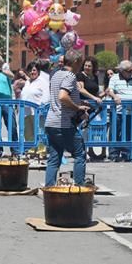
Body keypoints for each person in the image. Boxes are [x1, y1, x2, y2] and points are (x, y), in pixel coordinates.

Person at [44, 50, 90, 186]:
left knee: (54, 157)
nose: (81, 65)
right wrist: (78, 108)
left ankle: (50, 189)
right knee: (80, 153)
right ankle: (79, 187)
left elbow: (60, 97)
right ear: (75, 62)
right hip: (63, 123)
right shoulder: (70, 76)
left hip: (51, 122)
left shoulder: (56, 74)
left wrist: (79, 103)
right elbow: (63, 96)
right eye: (80, 62)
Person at [107, 60, 132, 162]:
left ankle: (127, 153)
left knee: (129, 132)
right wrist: (115, 96)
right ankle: (114, 154)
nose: (131, 73)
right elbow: (110, 90)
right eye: (129, 71)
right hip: (118, 111)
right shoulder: (114, 78)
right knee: (115, 132)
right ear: (122, 71)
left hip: (130, 112)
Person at [20, 60, 50, 160]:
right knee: (28, 132)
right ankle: (31, 150)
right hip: (26, 112)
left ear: (38, 71)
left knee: (40, 132)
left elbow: (46, 96)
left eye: (34, 70)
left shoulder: (42, 81)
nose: (32, 72)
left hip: (38, 112)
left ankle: (41, 152)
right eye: (30, 71)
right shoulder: (28, 82)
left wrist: (41, 107)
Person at [77, 56, 103, 160]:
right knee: (83, 129)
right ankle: (82, 151)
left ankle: (92, 150)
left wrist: (103, 94)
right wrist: (94, 98)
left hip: (94, 107)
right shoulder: (80, 75)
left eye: (89, 66)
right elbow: (81, 90)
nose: (87, 67)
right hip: (83, 106)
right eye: (85, 65)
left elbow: (96, 91)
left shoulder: (95, 77)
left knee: (95, 128)